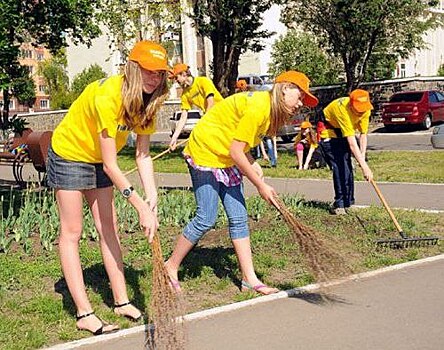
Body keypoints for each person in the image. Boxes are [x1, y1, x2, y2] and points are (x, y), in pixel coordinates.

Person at [46, 41, 170, 335]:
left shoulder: (149, 101)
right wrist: (139, 205)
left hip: (100, 158)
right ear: (133, 69)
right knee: (72, 231)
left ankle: (122, 301)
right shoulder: (108, 96)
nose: (154, 78)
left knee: (108, 228)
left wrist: (151, 196)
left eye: (159, 73)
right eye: (149, 72)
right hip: (70, 153)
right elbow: (111, 166)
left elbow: (142, 154)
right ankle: (84, 313)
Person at [164, 71, 318, 295]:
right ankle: (170, 266)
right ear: (285, 88)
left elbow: (238, 143)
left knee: (238, 217)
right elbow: (236, 151)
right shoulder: (259, 108)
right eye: (300, 96)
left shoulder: (268, 110)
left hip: (225, 155)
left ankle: (249, 278)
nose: (301, 104)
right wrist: (260, 185)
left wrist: (253, 162)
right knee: (206, 217)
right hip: (205, 152)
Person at [318, 89, 374, 215]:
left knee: (348, 166)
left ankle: (349, 202)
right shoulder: (343, 110)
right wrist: (365, 168)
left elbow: (363, 135)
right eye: (358, 110)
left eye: (363, 109)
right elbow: (352, 142)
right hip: (329, 132)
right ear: (351, 105)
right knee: (340, 165)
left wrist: (362, 159)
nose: (361, 113)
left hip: (343, 133)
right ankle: (339, 204)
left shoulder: (366, 109)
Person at [169, 63, 223, 150]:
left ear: (184, 74)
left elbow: (210, 102)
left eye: (176, 77)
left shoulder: (203, 81)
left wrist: (205, 120)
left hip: (223, 114)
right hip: (212, 119)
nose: (176, 81)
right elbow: (183, 117)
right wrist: (175, 137)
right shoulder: (185, 94)